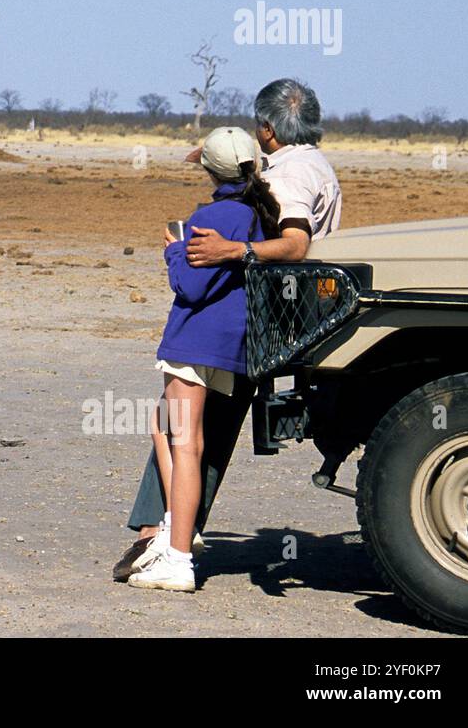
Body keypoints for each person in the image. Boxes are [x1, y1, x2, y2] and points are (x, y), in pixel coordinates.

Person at [114, 78, 342, 583]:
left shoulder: (290, 175)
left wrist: (220, 251)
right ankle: (170, 531)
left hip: (249, 322)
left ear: (267, 129)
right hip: (271, 319)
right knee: (198, 430)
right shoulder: (310, 167)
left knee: (190, 434)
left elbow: (295, 246)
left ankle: (165, 537)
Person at [126, 126, 281, 591]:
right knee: (165, 427)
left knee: (186, 443)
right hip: (230, 344)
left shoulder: (212, 214)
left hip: (194, 341)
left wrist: (173, 251)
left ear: (210, 170)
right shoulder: (259, 215)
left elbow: (190, 287)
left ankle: (177, 557)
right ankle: (177, 529)